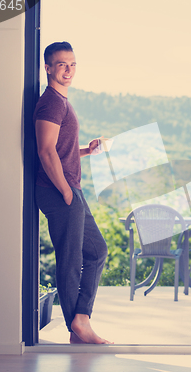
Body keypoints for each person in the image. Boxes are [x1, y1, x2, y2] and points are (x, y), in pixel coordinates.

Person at [34, 41, 111, 344]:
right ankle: (77, 326)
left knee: (96, 251)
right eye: (62, 64)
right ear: (48, 68)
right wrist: (66, 191)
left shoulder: (61, 101)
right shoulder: (52, 102)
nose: (68, 70)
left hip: (71, 190)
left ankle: (80, 318)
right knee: (70, 260)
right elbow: (44, 150)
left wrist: (86, 150)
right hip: (60, 191)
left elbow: (60, 149)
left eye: (72, 64)